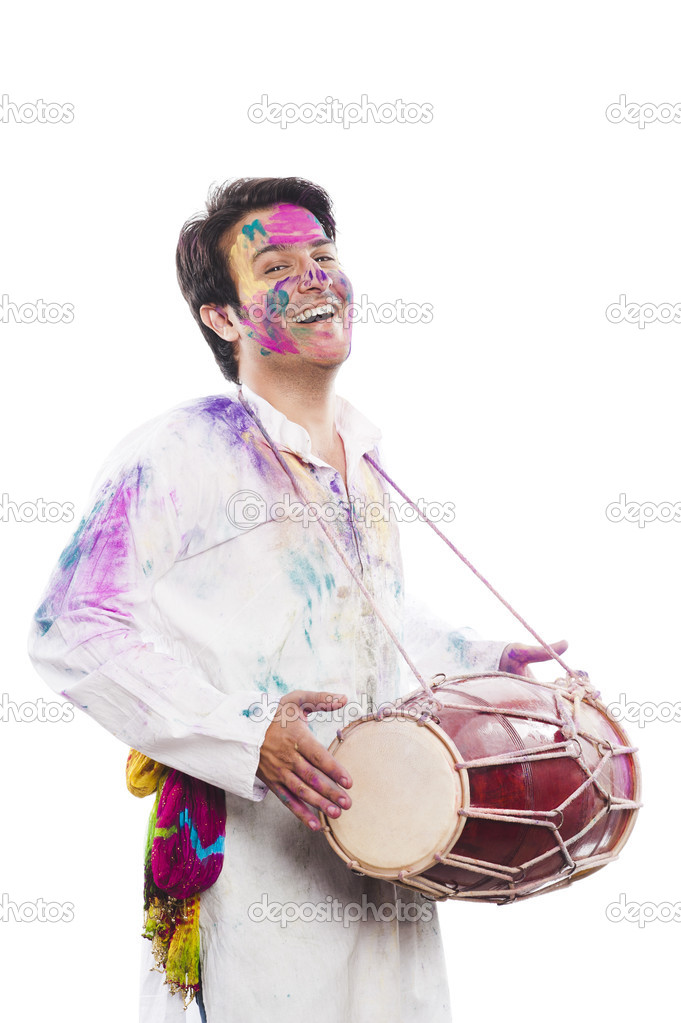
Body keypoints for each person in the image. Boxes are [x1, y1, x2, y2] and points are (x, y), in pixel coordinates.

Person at [27, 177, 566, 1022]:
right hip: (255, 864)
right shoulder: (183, 447)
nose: (315, 275)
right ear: (224, 317)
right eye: (277, 263)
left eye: (324, 255)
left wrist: (486, 660)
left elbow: (373, 617)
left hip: (382, 847)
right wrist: (248, 733)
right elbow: (71, 628)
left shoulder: (363, 453)